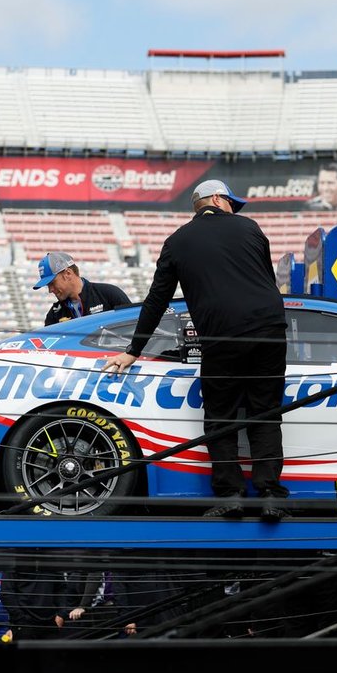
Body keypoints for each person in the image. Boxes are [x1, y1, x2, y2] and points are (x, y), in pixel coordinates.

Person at [103, 180, 289, 521]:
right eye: (232, 202)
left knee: (221, 416)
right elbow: (266, 280)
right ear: (217, 199)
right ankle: (270, 496)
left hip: (223, 335)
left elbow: (156, 300)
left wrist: (134, 349)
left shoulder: (176, 242)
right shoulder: (251, 228)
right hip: (270, 329)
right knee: (265, 412)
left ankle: (231, 495)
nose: (235, 209)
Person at [33, 251, 130, 325]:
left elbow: (133, 328)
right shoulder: (54, 314)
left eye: (52, 283)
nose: (50, 290)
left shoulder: (109, 294)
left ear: (68, 273)